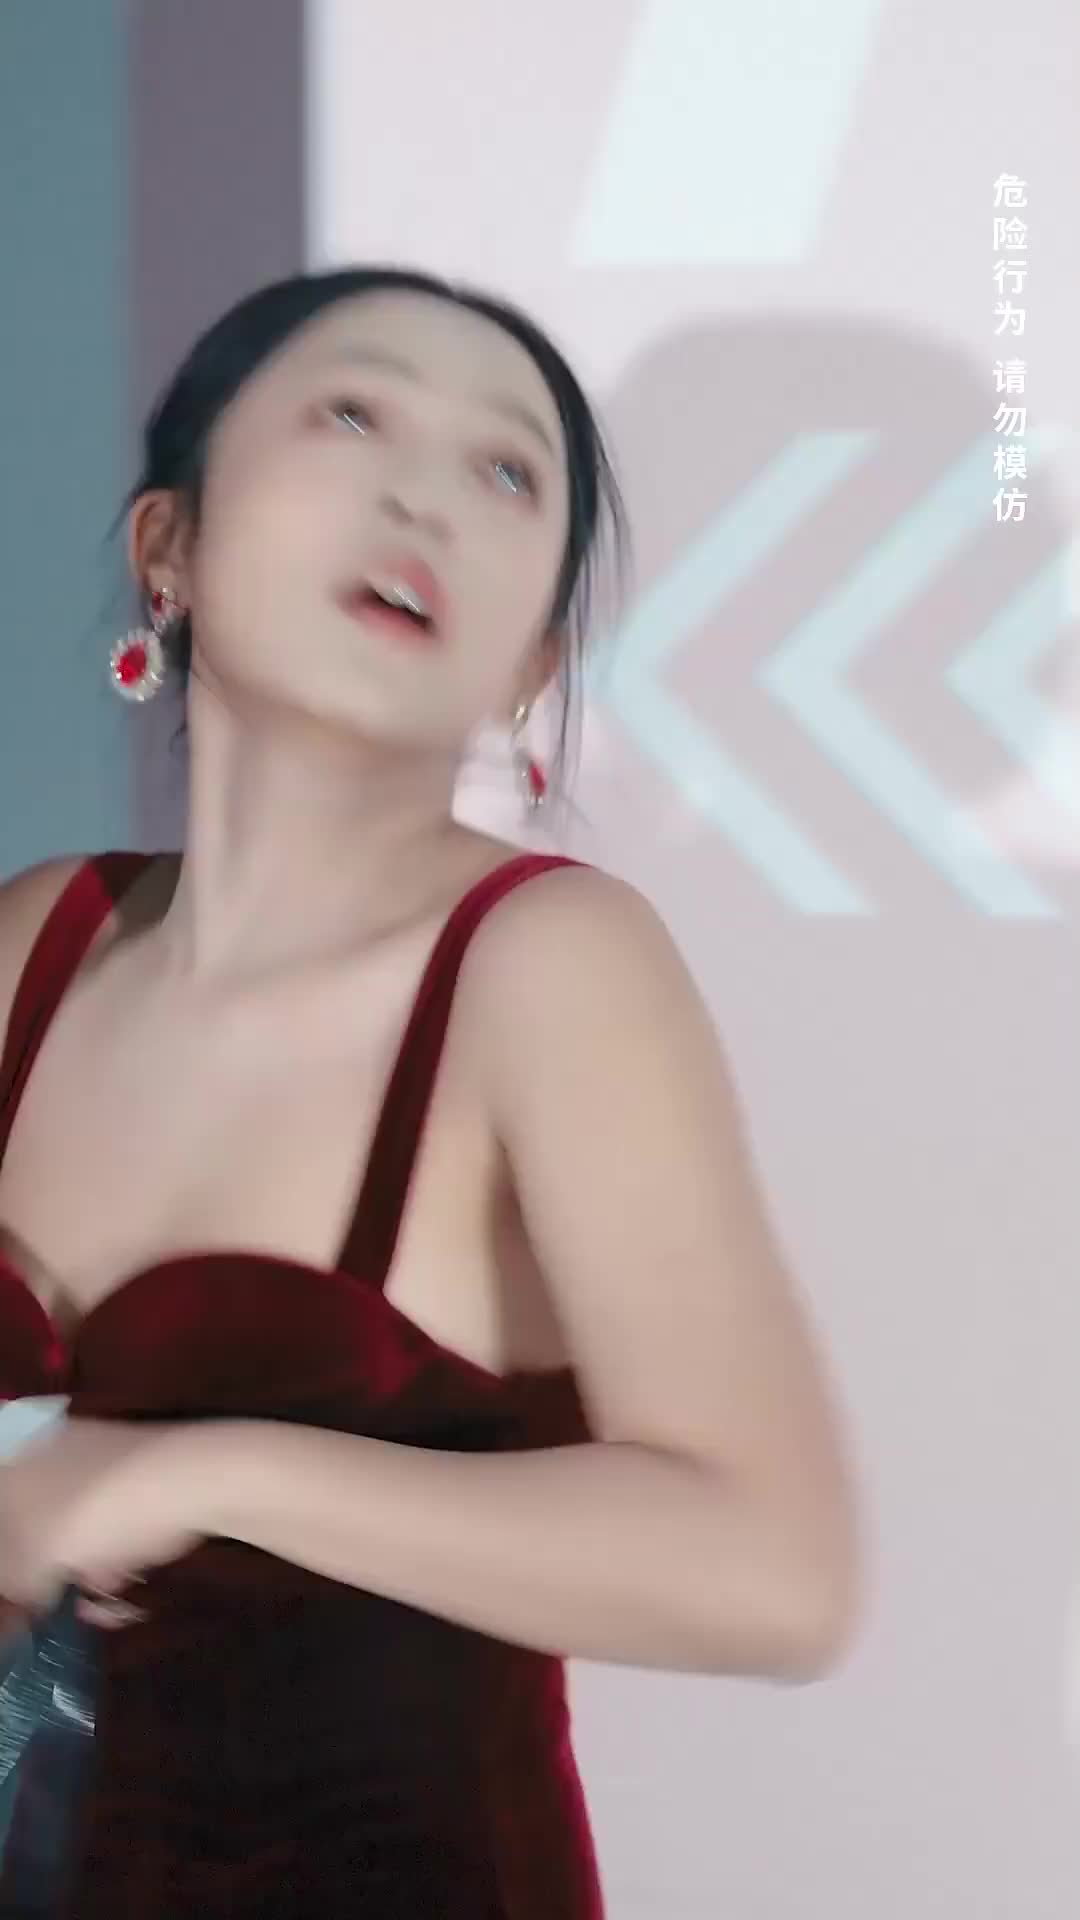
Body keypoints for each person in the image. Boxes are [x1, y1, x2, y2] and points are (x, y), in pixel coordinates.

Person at [0, 267, 858, 1917]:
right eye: (352, 413)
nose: (424, 498)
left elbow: (779, 1570)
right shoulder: (39, 938)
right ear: (168, 546)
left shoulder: (548, 964)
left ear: (534, 660)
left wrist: (188, 1475)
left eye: (506, 471)